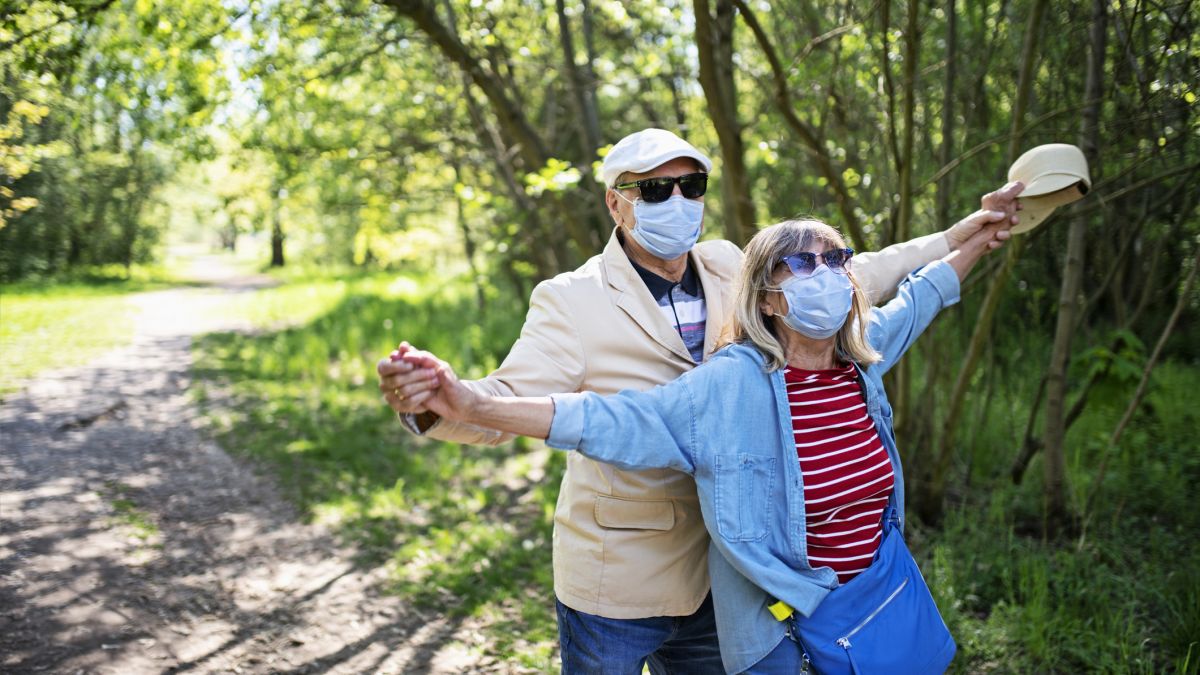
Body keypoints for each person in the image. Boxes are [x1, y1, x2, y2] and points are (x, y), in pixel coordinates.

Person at [377, 127, 1021, 673]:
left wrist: (957, 236)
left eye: (691, 187)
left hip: (727, 575)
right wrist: (441, 400)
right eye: (655, 190)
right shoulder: (571, 298)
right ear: (616, 203)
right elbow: (517, 402)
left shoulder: (724, 265)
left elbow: (854, 277)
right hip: (621, 578)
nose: (677, 201)